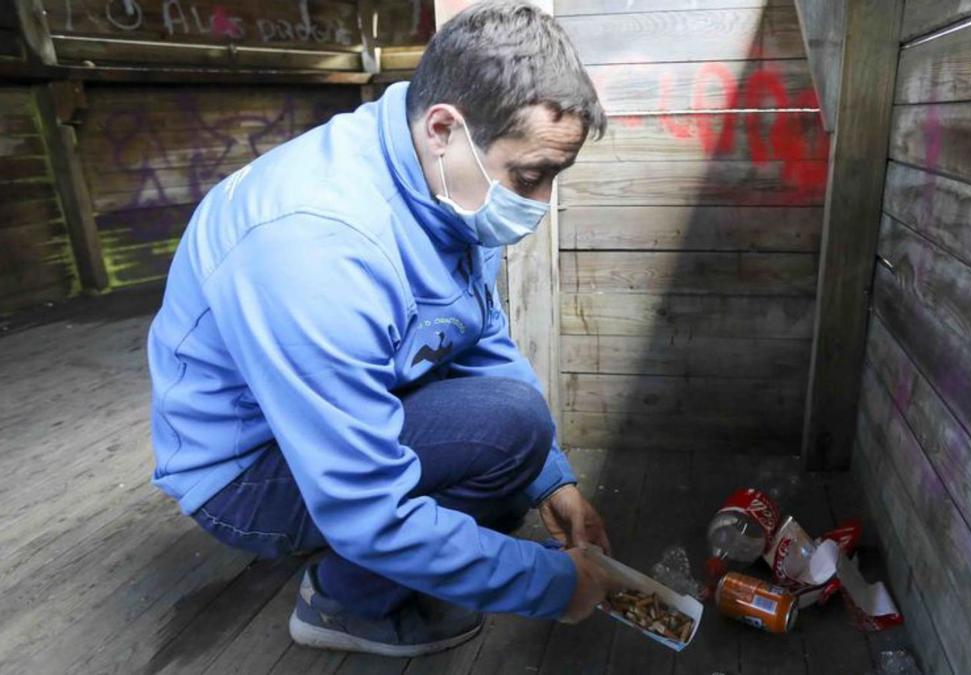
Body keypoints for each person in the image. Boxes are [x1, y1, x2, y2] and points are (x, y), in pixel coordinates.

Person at [146, 0, 619, 658]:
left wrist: (553, 479)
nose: (539, 206)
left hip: (327, 415)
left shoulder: (444, 182)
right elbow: (366, 507)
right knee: (499, 443)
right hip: (244, 470)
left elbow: (476, 334)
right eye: (530, 177)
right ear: (443, 127)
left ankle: (394, 562)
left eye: (553, 178)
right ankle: (343, 602)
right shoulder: (315, 246)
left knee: (518, 431)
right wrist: (550, 583)